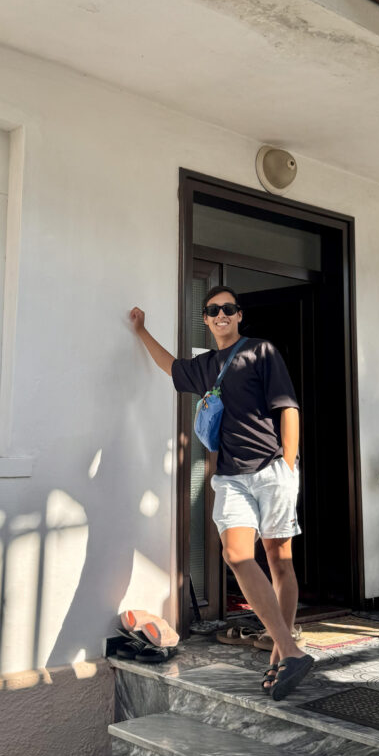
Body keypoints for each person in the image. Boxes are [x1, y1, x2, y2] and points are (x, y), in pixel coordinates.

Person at [128, 286, 314, 700]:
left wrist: (287, 464)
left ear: (239, 315)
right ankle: (292, 651)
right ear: (207, 319)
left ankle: (280, 659)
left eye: (228, 308)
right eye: (213, 310)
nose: (221, 315)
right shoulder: (205, 365)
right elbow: (170, 366)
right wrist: (142, 331)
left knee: (279, 563)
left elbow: (288, 407)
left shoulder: (260, 351)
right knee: (236, 556)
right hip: (230, 476)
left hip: (271, 469)